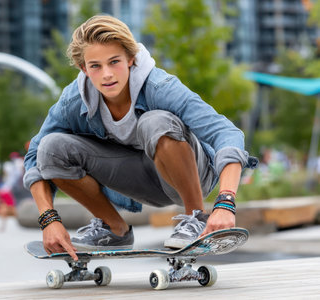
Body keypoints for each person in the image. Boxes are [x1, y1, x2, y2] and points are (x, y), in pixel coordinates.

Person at [23, 15, 258, 261]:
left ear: (130, 59)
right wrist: (48, 218)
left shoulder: (159, 86)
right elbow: (35, 156)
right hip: (139, 180)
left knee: (154, 122)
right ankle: (114, 229)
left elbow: (226, 133)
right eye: (95, 66)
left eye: (114, 62)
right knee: (51, 147)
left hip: (194, 176)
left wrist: (225, 202)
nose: (106, 75)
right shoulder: (74, 100)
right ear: (84, 68)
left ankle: (196, 218)